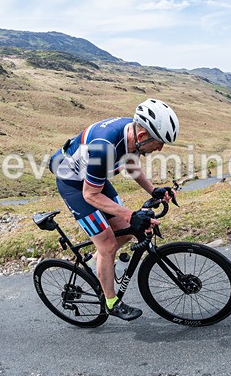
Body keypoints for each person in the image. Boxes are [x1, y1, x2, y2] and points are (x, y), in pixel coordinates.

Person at [49, 98, 179, 321]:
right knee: (108, 244)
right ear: (142, 136)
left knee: (126, 231)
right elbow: (90, 195)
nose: (160, 148)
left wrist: (153, 190)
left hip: (92, 178)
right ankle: (111, 302)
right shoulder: (105, 148)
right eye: (159, 143)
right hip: (74, 185)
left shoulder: (133, 132)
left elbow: (130, 163)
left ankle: (96, 264)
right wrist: (130, 214)